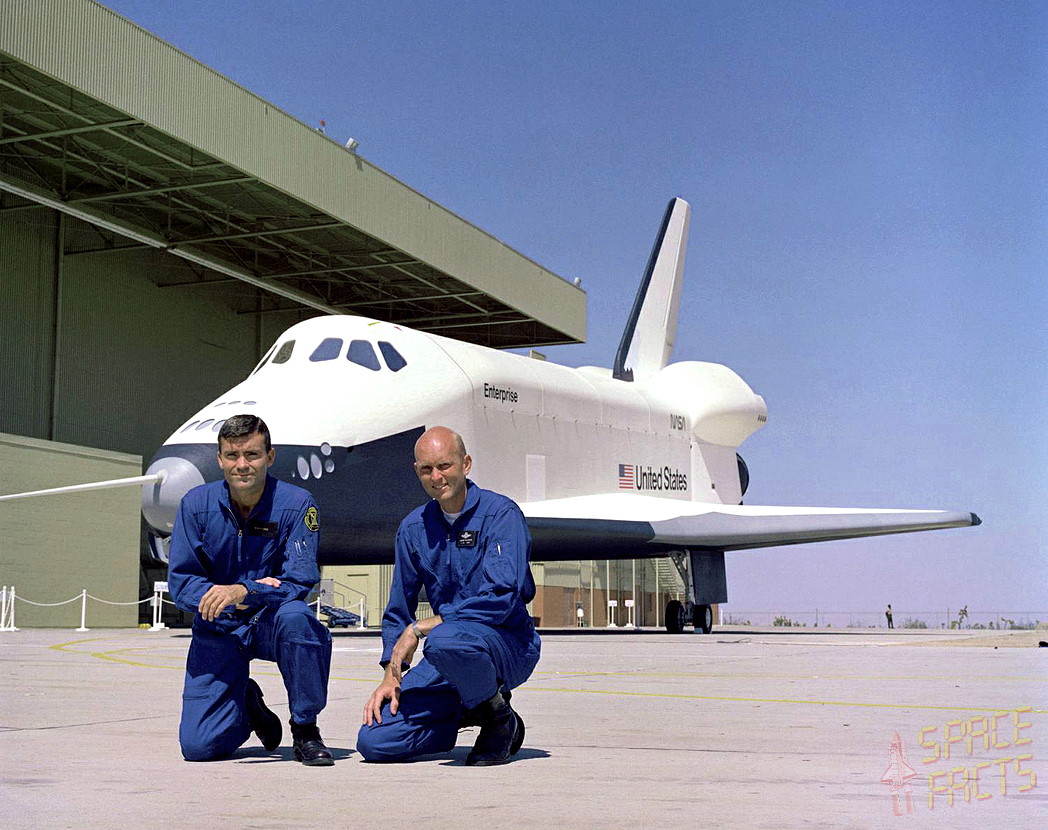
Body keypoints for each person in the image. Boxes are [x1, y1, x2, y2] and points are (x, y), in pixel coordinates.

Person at [357, 426, 541, 765]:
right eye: (427, 469)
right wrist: (391, 673)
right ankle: (473, 707)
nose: (436, 477)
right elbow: (398, 607)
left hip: (507, 644)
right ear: (417, 471)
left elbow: (501, 597)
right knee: (375, 740)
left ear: (465, 464)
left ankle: (499, 719)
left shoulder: (501, 515)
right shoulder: (413, 528)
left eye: (445, 466)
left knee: (444, 640)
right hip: (449, 655)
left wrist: (421, 628)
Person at [168, 414, 334, 765]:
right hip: (219, 626)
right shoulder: (195, 505)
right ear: (219, 459)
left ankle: (305, 728)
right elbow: (182, 581)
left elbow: (300, 580)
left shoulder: (297, 504)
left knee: (298, 619)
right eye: (232, 455)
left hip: (271, 621)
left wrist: (245, 591)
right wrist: (228, 597)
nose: (242, 465)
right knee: (199, 748)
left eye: (252, 455)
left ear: (270, 456)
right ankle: (246, 704)